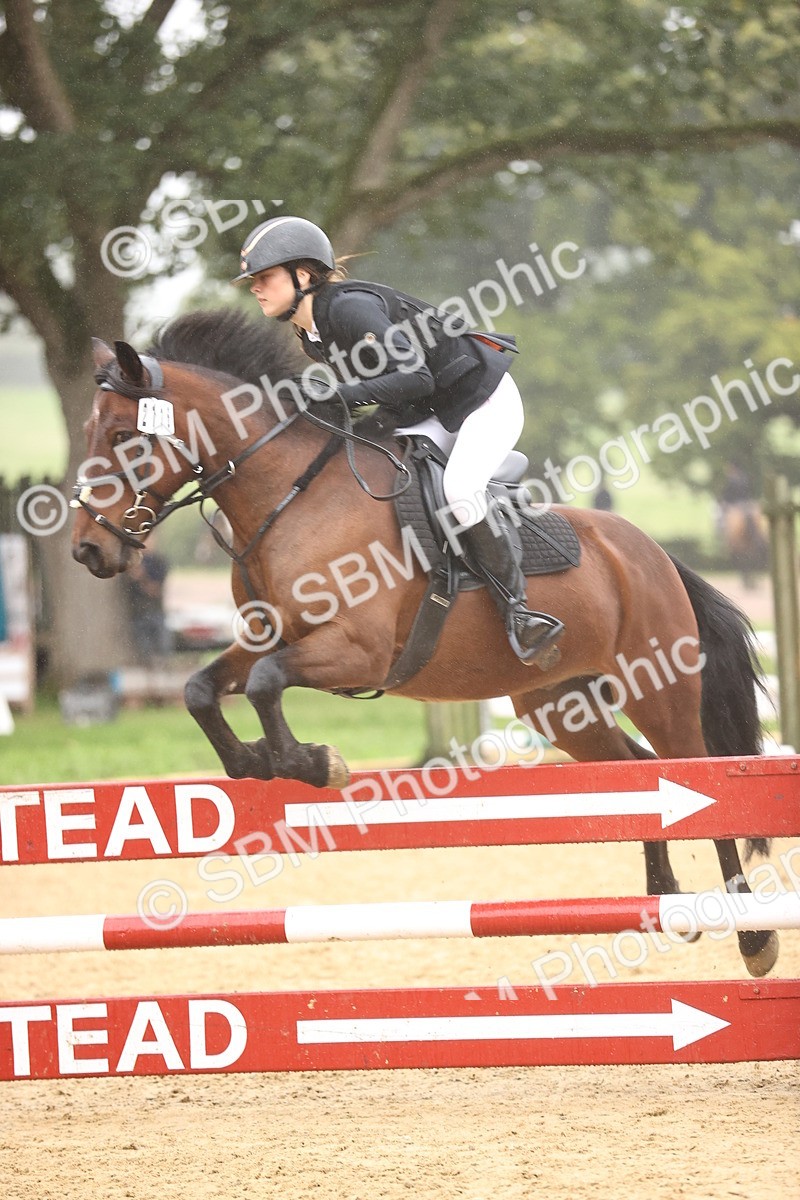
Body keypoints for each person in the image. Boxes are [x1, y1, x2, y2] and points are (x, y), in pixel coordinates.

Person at [233, 215, 563, 665]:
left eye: (264, 277)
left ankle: (520, 614)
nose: (255, 287)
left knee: (460, 492)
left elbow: (416, 376)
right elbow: (385, 393)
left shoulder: (348, 310)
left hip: (480, 401)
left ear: (303, 275)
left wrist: (335, 394)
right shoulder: (312, 334)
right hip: (428, 410)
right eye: (254, 280)